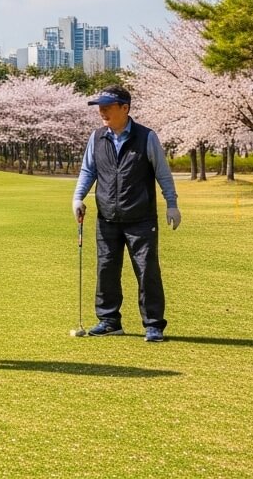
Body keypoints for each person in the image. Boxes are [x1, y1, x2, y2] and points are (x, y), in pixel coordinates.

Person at [73, 85, 181, 343]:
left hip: (141, 218)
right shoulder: (97, 137)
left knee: (146, 271)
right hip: (107, 217)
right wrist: (78, 197)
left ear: (125, 108)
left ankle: (153, 324)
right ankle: (109, 321)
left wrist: (172, 203)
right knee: (106, 269)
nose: (102, 112)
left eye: (108, 107)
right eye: (100, 107)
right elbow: (88, 170)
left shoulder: (146, 137)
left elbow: (162, 173)